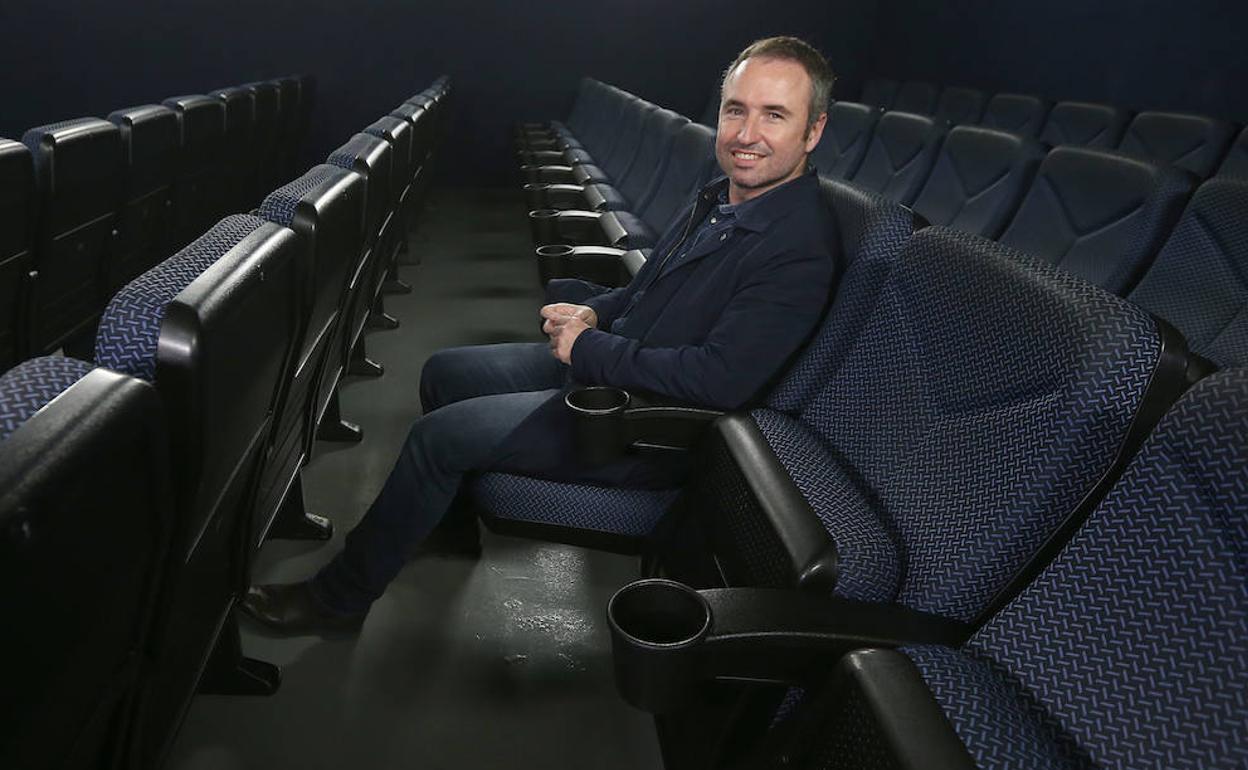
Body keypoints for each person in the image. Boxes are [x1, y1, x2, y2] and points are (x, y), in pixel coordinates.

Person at [242, 35, 839, 633]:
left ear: (812, 132)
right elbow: (645, 289)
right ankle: (446, 523)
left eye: (774, 115)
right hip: (614, 369)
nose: (745, 133)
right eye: (736, 109)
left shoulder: (798, 248)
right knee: (443, 372)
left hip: (642, 425)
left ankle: (338, 599)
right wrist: (595, 315)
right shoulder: (721, 195)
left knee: (437, 438)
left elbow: (719, 381)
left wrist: (590, 348)